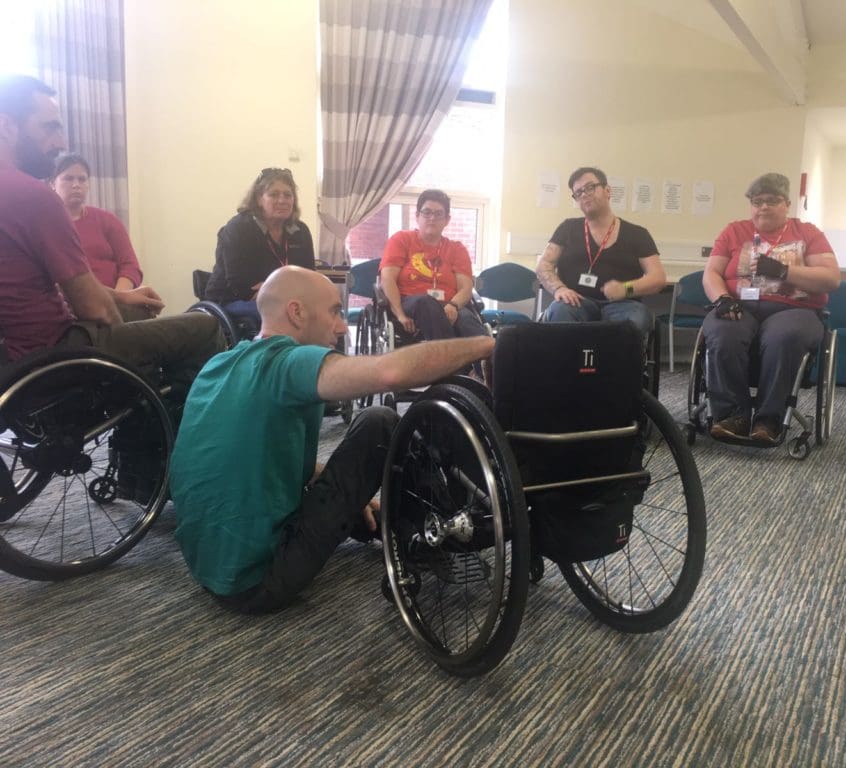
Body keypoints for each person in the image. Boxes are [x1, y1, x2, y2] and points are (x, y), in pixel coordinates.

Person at [170, 265, 494, 614]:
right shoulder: (285, 362)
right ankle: (443, 535)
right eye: (335, 312)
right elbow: (390, 372)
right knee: (379, 422)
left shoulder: (219, 363)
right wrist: (485, 343)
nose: (342, 326)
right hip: (258, 580)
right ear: (296, 313)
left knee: (356, 482)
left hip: (208, 566)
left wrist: (350, 490)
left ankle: (399, 522)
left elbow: (260, 456)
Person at [0, 74, 223, 390]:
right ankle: (156, 433)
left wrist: (121, 296)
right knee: (205, 326)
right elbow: (94, 307)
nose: (61, 142)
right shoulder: (32, 197)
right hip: (56, 356)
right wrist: (129, 364)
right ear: (7, 126)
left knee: (135, 310)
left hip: (11, 361)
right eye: (49, 128)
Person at [701, 172, 841, 443]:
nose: (763, 206)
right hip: (739, 306)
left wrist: (783, 271)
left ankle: (769, 419)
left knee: (783, 336)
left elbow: (831, 279)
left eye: (772, 200)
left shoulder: (807, 233)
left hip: (793, 310)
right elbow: (711, 274)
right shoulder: (734, 231)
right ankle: (733, 415)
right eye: (757, 201)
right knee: (721, 331)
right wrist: (721, 299)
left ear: (786, 203)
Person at [536, 166, 666, 335]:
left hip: (622, 304)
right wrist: (559, 289)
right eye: (578, 193)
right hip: (577, 302)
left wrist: (626, 288)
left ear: (607, 191)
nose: (584, 194)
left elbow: (658, 278)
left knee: (636, 318)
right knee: (559, 311)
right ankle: (570, 362)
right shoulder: (567, 228)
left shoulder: (637, 234)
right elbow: (544, 264)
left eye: (590, 187)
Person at [204, 167, 315, 330]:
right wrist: (285, 291)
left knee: (323, 312)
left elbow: (308, 276)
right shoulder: (239, 228)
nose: (282, 200)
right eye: (274, 194)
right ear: (258, 199)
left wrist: (271, 288)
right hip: (230, 301)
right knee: (283, 314)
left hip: (283, 300)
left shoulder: (300, 231)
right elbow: (242, 286)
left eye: (288, 195)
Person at [379, 188, 490, 343]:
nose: (432, 218)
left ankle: (488, 361)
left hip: (450, 305)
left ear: (447, 220)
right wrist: (399, 314)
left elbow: (466, 288)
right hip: (411, 303)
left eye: (438, 214)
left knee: (466, 319)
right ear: (417, 216)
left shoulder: (457, 249)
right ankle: (451, 363)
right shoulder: (402, 240)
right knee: (426, 303)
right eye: (426, 212)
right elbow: (387, 279)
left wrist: (454, 305)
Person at [50, 151, 151, 320]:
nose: (76, 185)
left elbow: (130, 266)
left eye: (82, 179)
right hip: (70, 308)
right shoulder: (45, 226)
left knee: (149, 309)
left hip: (116, 304)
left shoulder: (107, 220)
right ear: (53, 183)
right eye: (68, 178)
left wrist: (118, 298)